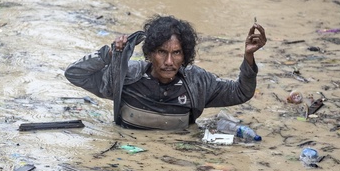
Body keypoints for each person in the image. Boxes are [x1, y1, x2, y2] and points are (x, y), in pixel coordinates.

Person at [64, 15, 267, 130]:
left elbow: (242, 92)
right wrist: (107, 55)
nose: (169, 62)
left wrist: (248, 57)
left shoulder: (197, 83)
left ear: (185, 55)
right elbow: (74, 74)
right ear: (150, 53)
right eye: (162, 52)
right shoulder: (126, 77)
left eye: (176, 53)